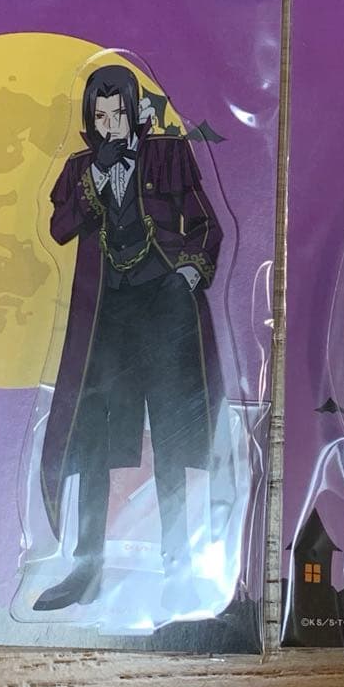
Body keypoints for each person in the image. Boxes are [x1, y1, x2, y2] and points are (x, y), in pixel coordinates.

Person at [34, 65, 223, 611]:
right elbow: (60, 228)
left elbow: (207, 225)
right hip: (106, 316)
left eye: (119, 113)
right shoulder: (80, 169)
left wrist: (186, 275)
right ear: (89, 118)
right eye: (101, 115)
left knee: (171, 436)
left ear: (133, 111)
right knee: (92, 434)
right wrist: (97, 175)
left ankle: (179, 568)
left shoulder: (166, 154)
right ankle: (86, 567)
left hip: (163, 306)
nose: (111, 125)